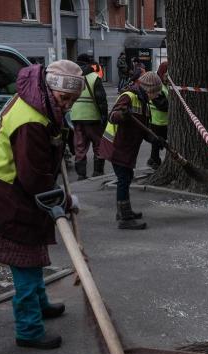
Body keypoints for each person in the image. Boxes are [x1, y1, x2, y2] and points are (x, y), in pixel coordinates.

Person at [0, 61, 83, 350]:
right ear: (50, 89)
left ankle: (41, 303)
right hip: (8, 198)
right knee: (23, 262)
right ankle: (29, 329)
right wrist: (66, 200)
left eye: (73, 100)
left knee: (32, 256)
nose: (69, 105)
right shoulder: (31, 121)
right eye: (65, 98)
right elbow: (34, 179)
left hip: (11, 192)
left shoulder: (36, 99)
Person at [98, 71, 163, 231]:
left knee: (126, 177)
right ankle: (125, 218)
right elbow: (112, 116)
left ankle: (123, 211)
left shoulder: (144, 102)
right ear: (149, 90)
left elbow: (143, 129)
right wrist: (123, 115)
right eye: (156, 93)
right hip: (117, 146)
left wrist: (155, 139)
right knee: (124, 178)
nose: (156, 97)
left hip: (126, 147)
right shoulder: (128, 96)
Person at [72, 53, 108, 180]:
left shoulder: (72, 77)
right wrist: (105, 116)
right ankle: (98, 173)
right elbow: (101, 100)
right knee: (98, 144)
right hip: (93, 117)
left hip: (76, 117)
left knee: (80, 146)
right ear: (89, 63)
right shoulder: (94, 77)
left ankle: (81, 175)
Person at [148, 62, 169, 171]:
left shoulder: (165, 85)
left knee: (159, 143)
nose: (168, 78)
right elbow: (162, 105)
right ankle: (154, 162)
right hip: (157, 121)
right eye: (166, 75)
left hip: (165, 121)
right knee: (156, 144)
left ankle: (154, 160)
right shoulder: (157, 86)